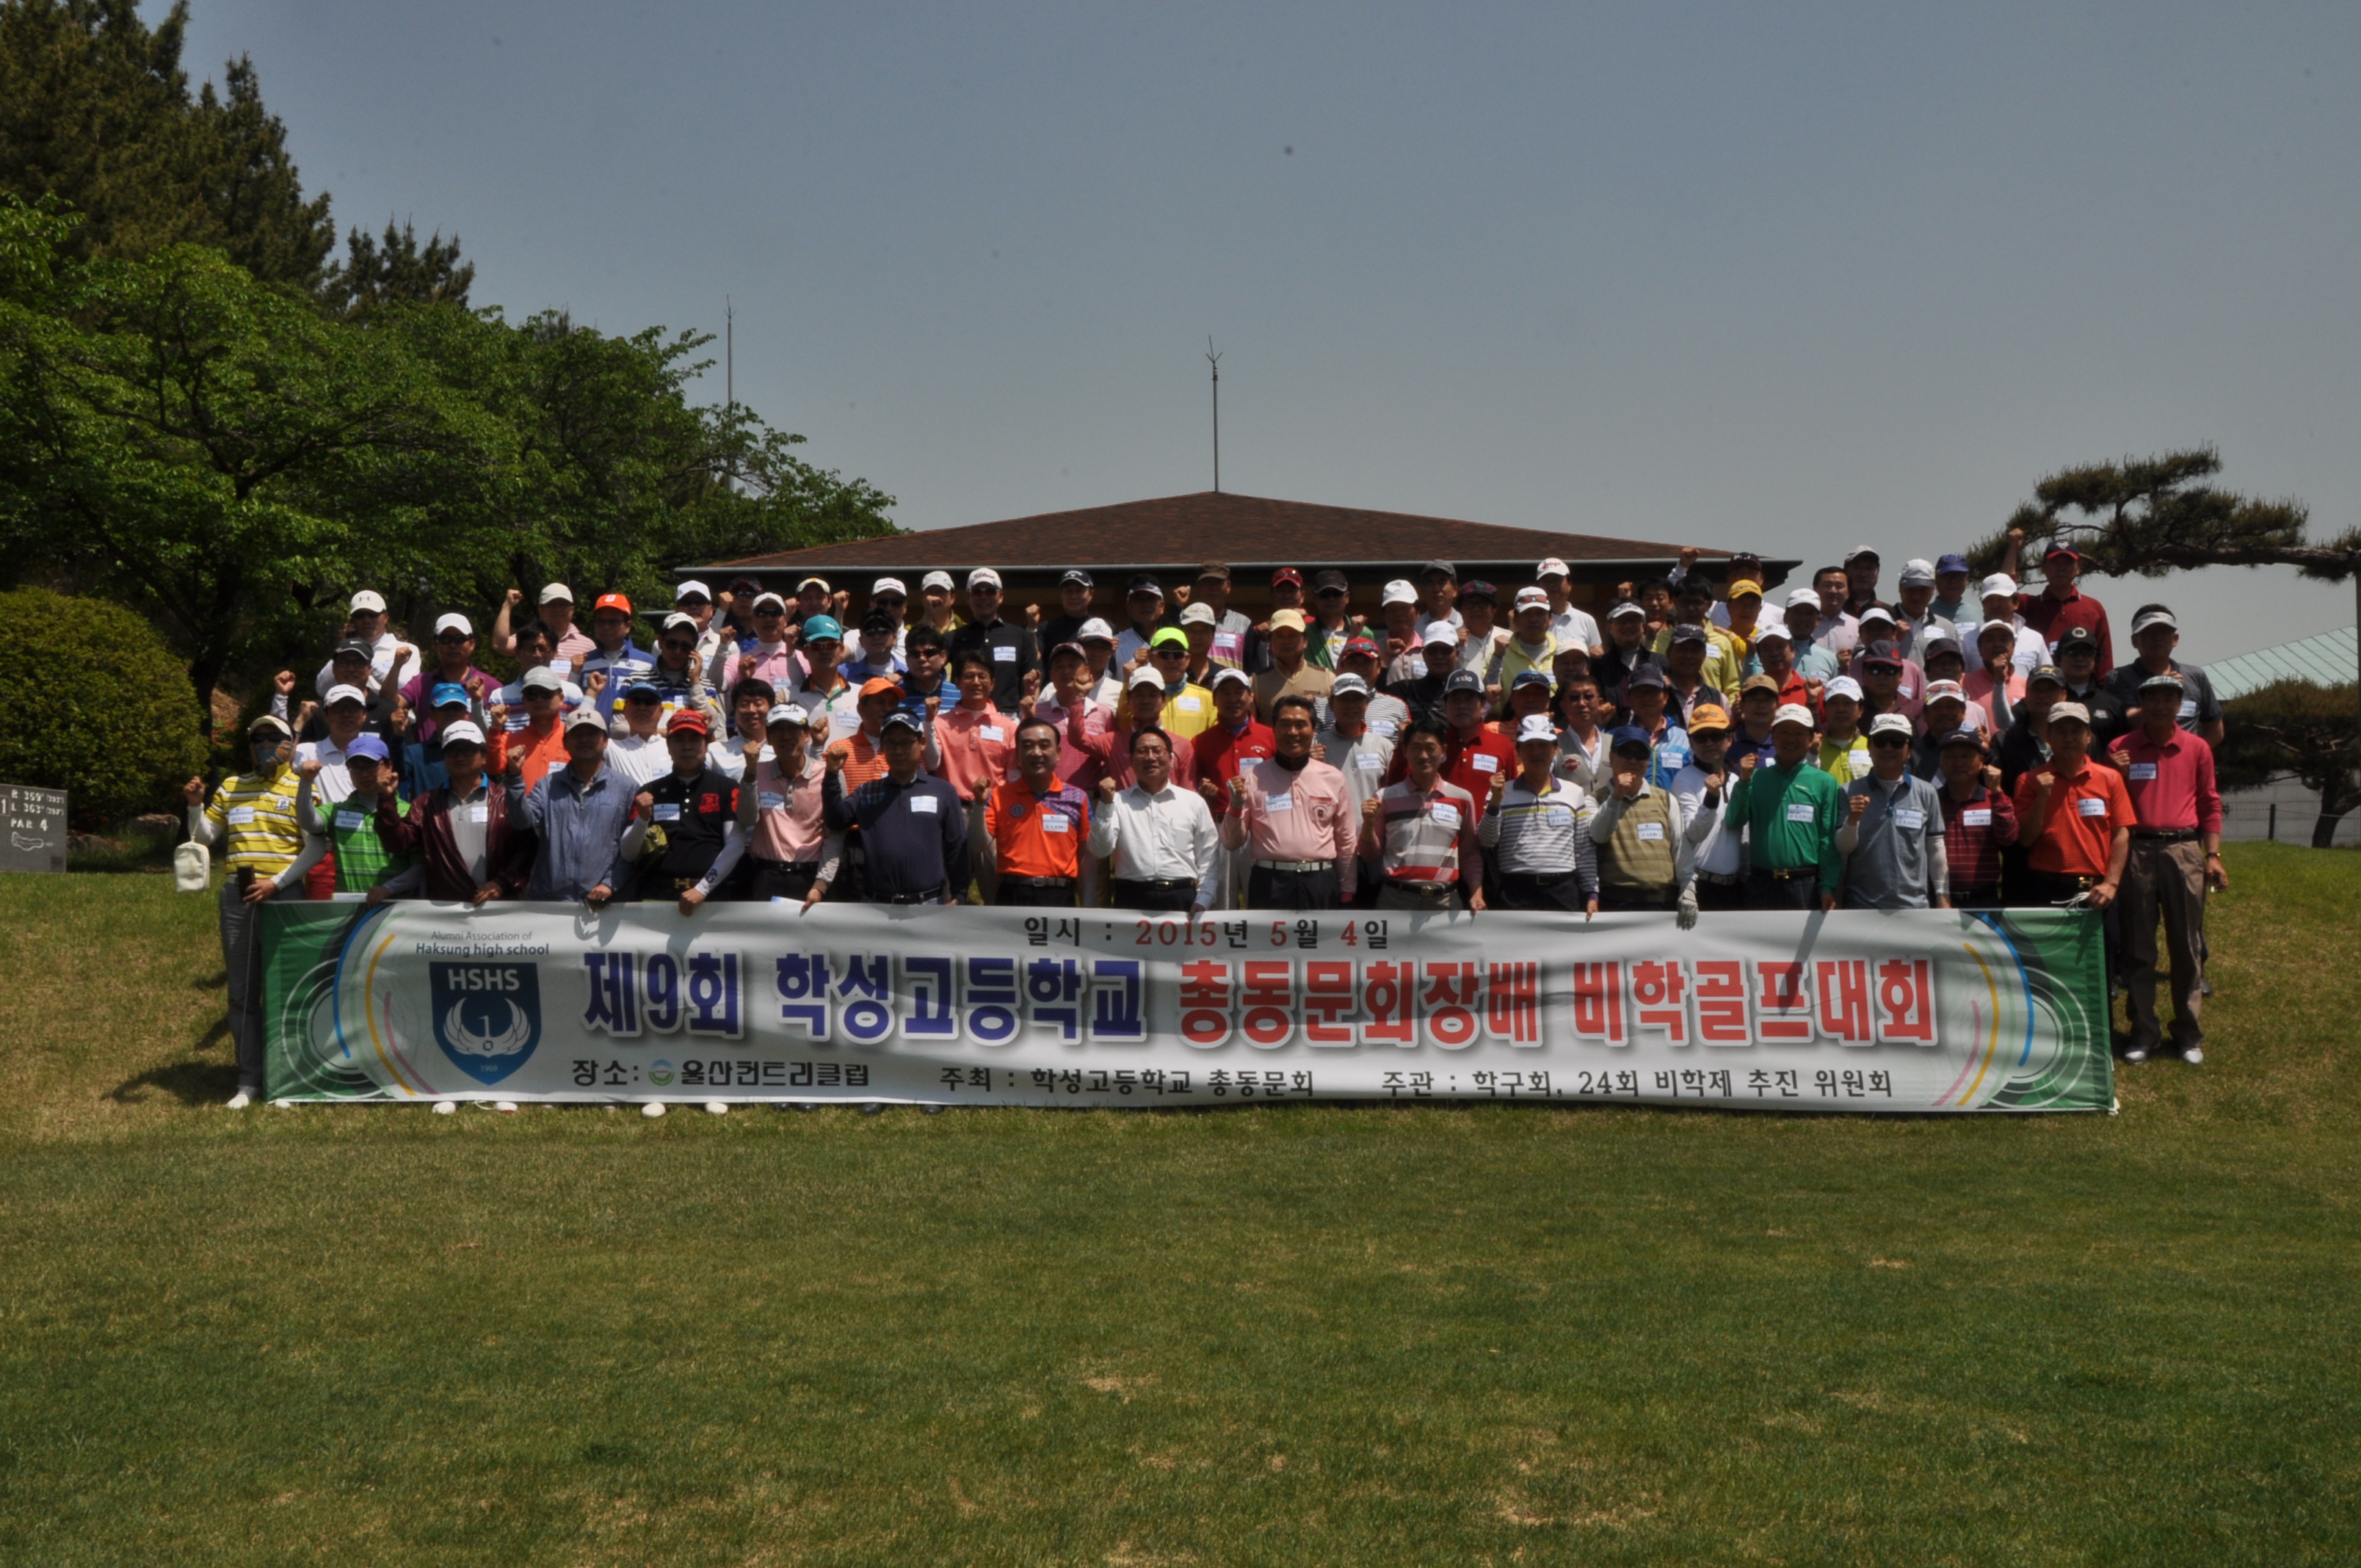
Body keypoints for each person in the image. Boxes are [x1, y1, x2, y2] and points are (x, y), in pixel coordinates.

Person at [183, 716, 308, 1107]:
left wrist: (277, 883)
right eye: (257, 739)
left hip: (284, 895)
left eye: (274, 737)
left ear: (290, 744)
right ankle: (249, 1079)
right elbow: (204, 837)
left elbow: (315, 847)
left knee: (285, 990)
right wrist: (195, 805)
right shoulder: (232, 786)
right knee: (242, 993)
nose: (265, 744)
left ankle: (286, 1080)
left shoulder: (302, 786)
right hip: (238, 897)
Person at [2108, 672, 2227, 1063]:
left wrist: (2213, 855)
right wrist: (2116, 773)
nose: (2161, 705)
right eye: (2153, 698)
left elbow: (2209, 802)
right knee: (2138, 948)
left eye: (2169, 699)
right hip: (2137, 850)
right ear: (2142, 704)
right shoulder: (2120, 748)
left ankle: (2188, 1034)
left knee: (2186, 945)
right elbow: (2108, 802)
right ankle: (2144, 1032)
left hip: (2184, 849)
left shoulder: (2197, 748)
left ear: (2179, 705)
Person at [1219, 694, 1357, 910]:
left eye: (1301, 725)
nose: (1293, 732)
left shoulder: (1333, 778)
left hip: (1320, 882)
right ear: (1274, 729)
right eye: (1285, 724)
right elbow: (1231, 842)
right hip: (1269, 882)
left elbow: (1346, 838)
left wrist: (1347, 888)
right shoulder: (1253, 777)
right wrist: (1236, 806)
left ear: (1313, 730)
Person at [822, 710, 968, 904]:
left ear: (922, 743)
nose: (898, 751)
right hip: (876, 906)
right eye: (891, 743)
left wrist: (959, 894)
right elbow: (836, 820)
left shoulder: (943, 791)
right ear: (883, 747)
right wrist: (832, 776)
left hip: (929, 904)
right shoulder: (868, 792)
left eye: (906, 743)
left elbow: (956, 847)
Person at [385, 719, 534, 906]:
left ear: (484, 757)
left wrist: (502, 882)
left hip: (496, 908)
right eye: (452, 751)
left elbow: (526, 848)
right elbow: (398, 844)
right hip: (446, 910)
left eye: (468, 750)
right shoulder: (426, 803)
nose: (460, 756)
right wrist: (386, 802)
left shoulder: (506, 800)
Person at [612, 711, 744, 914]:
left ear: (706, 745)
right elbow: (628, 854)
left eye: (694, 739)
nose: (687, 746)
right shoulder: (649, 791)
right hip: (657, 896)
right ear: (668, 746)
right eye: (679, 740)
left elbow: (735, 844)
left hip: (710, 897)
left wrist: (702, 889)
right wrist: (642, 819)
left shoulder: (727, 788)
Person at [2010, 702, 2131, 910]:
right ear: (2048, 737)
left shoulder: (2110, 778)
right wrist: (2042, 797)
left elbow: (2121, 834)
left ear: (2089, 737)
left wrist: (2111, 884)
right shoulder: (2029, 780)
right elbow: (2026, 838)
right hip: (2046, 887)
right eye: (2061, 731)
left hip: (2098, 890)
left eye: (2076, 731)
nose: (2069, 738)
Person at [1727, 705, 1845, 912]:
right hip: (1761, 881)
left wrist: (1827, 886)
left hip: (1805, 882)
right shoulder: (1756, 778)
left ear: (1811, 739)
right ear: (1773, 736)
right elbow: (1734, 820)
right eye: (1784, 732)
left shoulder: (1825, 782)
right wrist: (1743, 782)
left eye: (1799, 733)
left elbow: (1827, 840)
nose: (1791, 739)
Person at [517, 707, 639, 906]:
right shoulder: (546, 786)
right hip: (549, 903)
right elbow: (522, 822)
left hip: (603, 904)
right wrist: (514, 779)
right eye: (577, 735)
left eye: (592, 734)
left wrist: (610, 884)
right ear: (565, 742)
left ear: (605, 741)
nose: (584, 740)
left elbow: (632, 848)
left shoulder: (627, 788)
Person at [1090, 726, 1220, 913]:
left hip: (1182, 898)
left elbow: (1208, 855)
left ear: (1171, 759)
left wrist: (1204, 898)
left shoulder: (1193, 802)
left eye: (1157, 751)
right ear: (1131, 760)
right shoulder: (1117, 802)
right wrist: (1105, 804)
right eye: (1142, 751)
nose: (1150, 757)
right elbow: (1101, 850)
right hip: (1131, 898)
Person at [725, 703, 844, 906]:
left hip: (812, 876)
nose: (786, 736)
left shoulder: (830, 774)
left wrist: (821, 884)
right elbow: (747, 819)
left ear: (806, 735)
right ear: (769, 738)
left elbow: (835, 835)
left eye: (793, 729)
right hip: (766, 876)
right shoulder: (756, 772)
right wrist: (750, 774)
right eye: (778, 730)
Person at [1481, 714, 1599, 916]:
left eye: (1543, 745)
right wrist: (1495, 803)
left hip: (1563, 891)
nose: (1536, 752)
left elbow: (1583, 850)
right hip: (1516, 891)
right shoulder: (1500, 793)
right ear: (1518, 751)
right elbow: (1487, 841)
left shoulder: (1573, 793)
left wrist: (1591, 893)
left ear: (1556, 750)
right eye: (1529, 746)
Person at [1362, 720, 1484, 913]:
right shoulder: (1385, 798)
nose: (1423, 755)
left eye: (1430, 748)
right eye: (1416, 748)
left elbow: (1469, 854)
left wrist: (1476, 892)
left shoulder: (1462, 799)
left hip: (1445, 902)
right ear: (1405, 751)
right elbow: (1370, 855)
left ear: (1444, 751)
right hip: (1396, 900)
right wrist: (1368, 826)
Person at [1587, 727, 1705, 923]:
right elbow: (1599, 835)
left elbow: (1680, 848)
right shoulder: (1595, 799)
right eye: (1626, 753)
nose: (1633, 761)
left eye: (1641, 754)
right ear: (1612, 756)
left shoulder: (1666, 799)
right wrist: (1617, 796)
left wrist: (1688, 889)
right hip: (1616, 902)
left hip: (1662, 902)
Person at [1835, 714, 1950, 910]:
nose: (1888, 748)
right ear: (1869, 748)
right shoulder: (1848, 792)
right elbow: (1842, 851)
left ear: (1909, 750)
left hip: (1915, 908)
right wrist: (1852, 821)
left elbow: (1935, 848)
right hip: (1861, 908)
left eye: (1897, 742)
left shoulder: (1927, 792)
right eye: (1880, 741)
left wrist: (1942, 895)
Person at [979, 717, 1095, 907]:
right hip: (1012, 894)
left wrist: (1088, 905)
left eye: (1044, 745)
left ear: (1058, 753)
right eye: (1028, 746)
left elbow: (1086, 858)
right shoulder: (998, 796)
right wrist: (978, 806)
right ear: (1017, 755)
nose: (1036, 752)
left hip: (1059, 895)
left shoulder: (1077, 798)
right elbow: (979, 845)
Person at [289, 736, 414, 901]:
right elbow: (309, 823)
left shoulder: (410, 811)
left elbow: (420, 867)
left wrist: (388, 889)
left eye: (370, 766)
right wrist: (306, 782)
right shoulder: (337, 810)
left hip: (396, 910)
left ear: (389, 766)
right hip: (349, 909)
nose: (364, 774)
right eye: (355, 767)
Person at [2103, 606, 2224, 744]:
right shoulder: (2118, 677)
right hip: (2139, 756)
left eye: (2164, 632)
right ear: (2135, 641)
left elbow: (2216, 730)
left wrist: (2192, 753)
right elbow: (2127, 723)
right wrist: (2162, 686)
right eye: (2149, 632)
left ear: (2175, 639)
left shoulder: (2196, 676)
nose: (2157, 638)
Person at [2001, 533, 2115, 672]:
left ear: (2078, 567)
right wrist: (2013, 549)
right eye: (2055, 562)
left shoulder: (2093, 608)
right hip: (2040, 684)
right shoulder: (2028, 605)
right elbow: (2003, 590)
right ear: (2044, 567)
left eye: (2068, 562)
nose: (2061, 568)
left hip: (2081, 685)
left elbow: (2105, 660)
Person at [1669, 704, 1744, 911]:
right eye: (1701, 738)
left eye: (1716, 736)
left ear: (1729, 739)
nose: (1709, 743)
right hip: (1700, 885)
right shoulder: (1685, 779)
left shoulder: (1737, 780)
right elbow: (1694, 833)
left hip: (1735, 886)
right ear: (1691, 743)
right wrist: (1711, 799)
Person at [1934, 727, 2015, 910]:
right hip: (1940, 898)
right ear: (1940, 762)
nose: (1958, 762)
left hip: (1984, 898)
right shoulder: (1932, 801)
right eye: (1951, 757)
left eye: (1966, 756)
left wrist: (1997, 792)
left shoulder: (1994, 799)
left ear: (1981, 762)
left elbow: (2009, 838)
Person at [946, 568, 1040, 715]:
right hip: (964, 715)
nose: (984, 596)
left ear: (1000, 596)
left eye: (990, 591)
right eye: (977, 592)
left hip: (1008, 715)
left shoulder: (1019, 636)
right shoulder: (953, 638)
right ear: (968, 597)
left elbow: (1033, 680)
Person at [398, 614, 498, 744]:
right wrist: (396, 666)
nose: (453, 645)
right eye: (445, 639)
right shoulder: (420, 683)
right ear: (435, 645)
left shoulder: (491, 686)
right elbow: (391, 705)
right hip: (428, 756)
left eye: (460, 639)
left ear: (472, 644)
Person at [315, 589, 420, 703]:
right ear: (352, 621)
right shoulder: (345, 652)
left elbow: (405, 689)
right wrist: (345, 648)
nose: (366, 620)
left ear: (385, 618)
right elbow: (321, 689)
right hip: (352, 711)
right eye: (360, 615)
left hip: (390, 712)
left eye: (373, 614)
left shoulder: (406, 651)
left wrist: (365, 656)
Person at [2054, 625, 2130, 752]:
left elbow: (2122, 750)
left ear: (2096, 658)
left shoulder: (2113, 705)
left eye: (2087, 653)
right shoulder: (2050, 700)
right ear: (2058, 658)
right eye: (2072, 652)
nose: (2080, 658)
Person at [1252, 609, 1332, 723]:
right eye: (1279, 636)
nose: (1286, 641)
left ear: (1305, 641)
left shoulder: (1327, 679)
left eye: (1293, 635)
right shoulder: (1255, 683)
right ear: (1270, 642)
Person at [1617, 665, 1691, 787]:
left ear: (1665, 697)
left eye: (1653, 692)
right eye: (1639, 693)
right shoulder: (1617, 739)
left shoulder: (1686, 739)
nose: (1646, 698)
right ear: (1630, 699)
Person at [1490, 587, 1559, 714]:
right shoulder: (1501, 654)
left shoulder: (1562, 652)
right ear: (1515, 620)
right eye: (1527, 614)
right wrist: (1498, 657)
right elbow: (1490, 698)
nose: (1533, 619)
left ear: (1550, 619)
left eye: (1540, 613)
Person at [1139, 628, 1216, 739]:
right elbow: (1124, 725)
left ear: (1187, 659)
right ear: (1151, 657)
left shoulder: (1207, 698)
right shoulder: (1140, 698)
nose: (1171, 660)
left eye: (1178, 655)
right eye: (1164, 654)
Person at [580, 593, 653, 700]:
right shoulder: (584, 662)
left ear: (628, 626)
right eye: (601, 621)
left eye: (613, 622)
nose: (606, 627)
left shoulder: (648, 663)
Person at [1551, 674, 1613, 799]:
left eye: (1588, 697)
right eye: (1574, 697)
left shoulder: (1614, 743)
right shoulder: (1553, 745)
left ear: (1600, 702)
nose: (1582, 703)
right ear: (1563, 705)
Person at [1192, 563, 1256, 672]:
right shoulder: (1184, 620)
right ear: (1198, 587)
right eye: (1207, 583)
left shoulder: (1243, 624)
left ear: (1228, 586)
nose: (1213, 588)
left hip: (1231, 683)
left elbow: (1251, 670)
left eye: (1218, 583)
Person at [1892, 559, 1959, 661]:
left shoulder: (1947, 628)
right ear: (1900, 588)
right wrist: (1892, 639)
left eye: (1923, 590)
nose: (1916, 596)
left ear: (1933, 590)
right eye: (1911, 589)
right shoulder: (1883, 623)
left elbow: (1957, 665)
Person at [1965, 620, 2026, 731]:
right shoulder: (1964, 683)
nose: (1997, 644)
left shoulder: (2026, 686)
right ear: (1979, 649)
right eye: (1990, 640)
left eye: (2003, 640)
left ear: (2013, 648)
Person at [1535, 557, 1603, 656]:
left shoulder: (1586, 620)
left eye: (1557, 580)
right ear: (1538, 587)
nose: (1552, 585)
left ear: (1570, 584)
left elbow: (1597, 655)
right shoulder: (1532, 620)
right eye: (1546, 581)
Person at [1816, 676, 1872, 785]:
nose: (1840, 710)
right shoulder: (1815, 750)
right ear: (1825, 709)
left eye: (1848, 703)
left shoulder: (1872, 747)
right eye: (1834, 703)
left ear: (1861, 710)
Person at [1111, 573, 1172, 669]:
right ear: (1129, 608)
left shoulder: (1175, 640)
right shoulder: (1116, 645)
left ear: (1162, 607)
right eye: (1139, 600)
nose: (1146, 605)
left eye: (1151, 599)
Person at [1034, 568, 1098, 653]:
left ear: (1091, 594)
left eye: (1079, 591)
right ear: (1061, 594)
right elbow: (1034, 657)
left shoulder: (1104, 628)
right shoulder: (1046, 629)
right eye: (1068, 591)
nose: (1074, 597)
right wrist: (1032, 628)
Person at [1303, 569, 1354, 669]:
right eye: (1324, 594)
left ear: (1347, 597)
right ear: (1315, 599)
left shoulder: (1363, 632)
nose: (1331, 599)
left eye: (1337, 593)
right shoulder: (1305, 633)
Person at [1839, 545, 1883, 620]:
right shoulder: (1833, 609)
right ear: (1846, 572)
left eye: (1869, 569)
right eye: (1857, 568)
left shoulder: (1886, 612)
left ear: (1878, 572)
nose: (1863, 575)